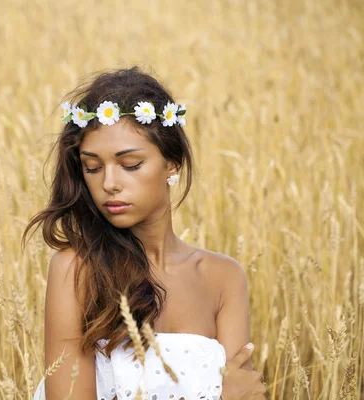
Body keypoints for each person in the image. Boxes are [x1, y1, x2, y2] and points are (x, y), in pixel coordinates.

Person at [22, 66, 266, 399]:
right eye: (92, 167)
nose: (109, 183)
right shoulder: (76, 270)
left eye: (131, 164)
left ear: (171, 163)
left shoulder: (223, 278)